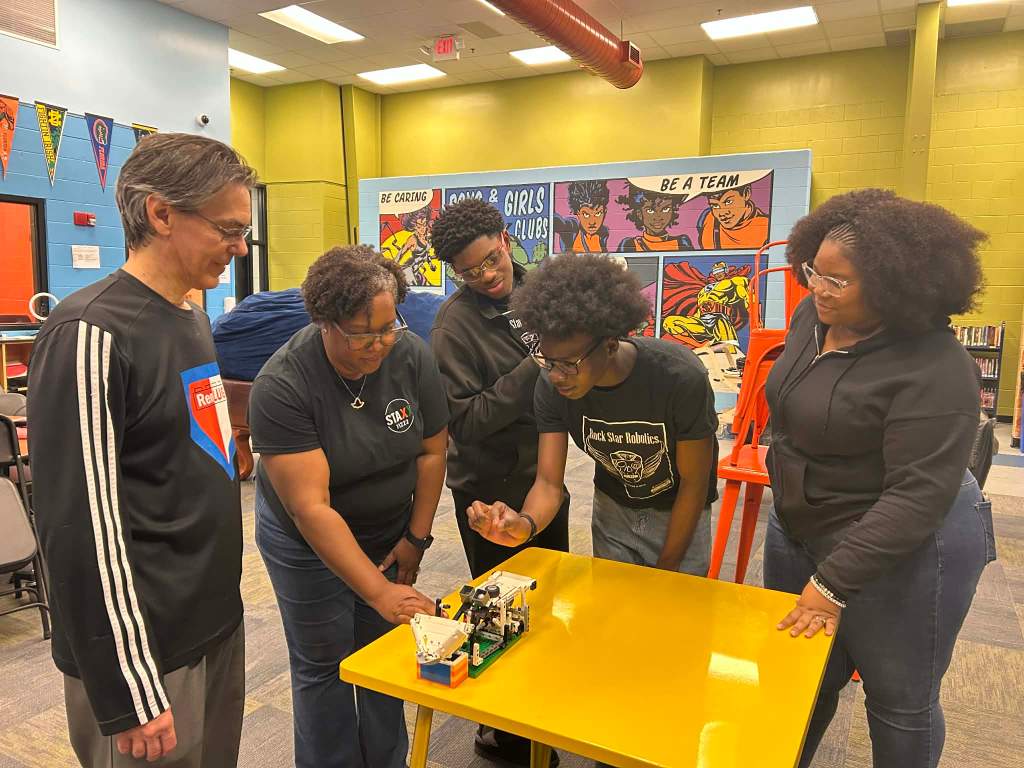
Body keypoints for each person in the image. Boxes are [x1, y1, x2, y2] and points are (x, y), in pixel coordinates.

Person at [27, 133, 254, 766]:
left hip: (211, 622)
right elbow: (78, 528)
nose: (240, 248)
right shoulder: (89, 332)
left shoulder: (192, 316)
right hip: (144, 651)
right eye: (229, 229)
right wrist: (127, 687)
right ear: (161, 214)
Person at [764, 189, 995, 768]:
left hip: (907, 544)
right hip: (801, 523)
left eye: (837, 281)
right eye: (813, 270)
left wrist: (831, 584)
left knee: (898, 700)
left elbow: (917, 497)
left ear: (895, 286)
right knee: (799, 679)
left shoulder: (937, 366)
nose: (818, 288)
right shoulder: (813, 318)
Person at [250, 245, 447, 768]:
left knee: (382, 654)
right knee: (325, 664)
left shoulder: (410, 354)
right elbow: (311, 508)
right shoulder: (283, 384)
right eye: (362, 334)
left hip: (387, 529)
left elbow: (432, 451)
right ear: (325, 323)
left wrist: (416, 537)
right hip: (306, 543)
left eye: (388, 328)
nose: (379, 344)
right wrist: (378, 590)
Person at [468, 252, 719, 580]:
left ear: (611, 345)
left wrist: (666, 571)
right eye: (547, 360)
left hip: (679, 512)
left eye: (568, 363)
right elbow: (548, 483)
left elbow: (694, 483)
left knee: (674, 605)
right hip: (612, 511)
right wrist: (524, 525)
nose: (556, 375)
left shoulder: (679, 377)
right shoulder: (551, 384)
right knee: (612, 604)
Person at [430, 198, 568, 766]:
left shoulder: (545, 290)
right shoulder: (452, 328)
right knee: (503, 615)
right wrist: (534, 366)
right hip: (487, 487)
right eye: (470, 272)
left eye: (491, 259)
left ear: (506, 239)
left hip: (547, 472)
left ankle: (545, 717)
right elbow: (465, 422)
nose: (487, 275)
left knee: (550, 600)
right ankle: (512, 738)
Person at [615, 183, 694, 252]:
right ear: (639, 214)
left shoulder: (681, 242)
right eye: (650, 210)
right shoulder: (629, 244)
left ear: (672, 210)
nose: (658, 217)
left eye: (665, 209)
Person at [698, 184, 769, 249]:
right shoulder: (709, 219)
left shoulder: (766, 226)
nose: (722, 213)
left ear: (746, 194)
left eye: (728, 202)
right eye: (715, 206)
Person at [554, 179, 610, 252]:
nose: (592, 222)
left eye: (598, 214)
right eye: (586, 214)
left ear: (604, 212)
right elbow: (560, 223)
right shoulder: (572, 229)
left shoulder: (604, 234)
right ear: (578, 213)